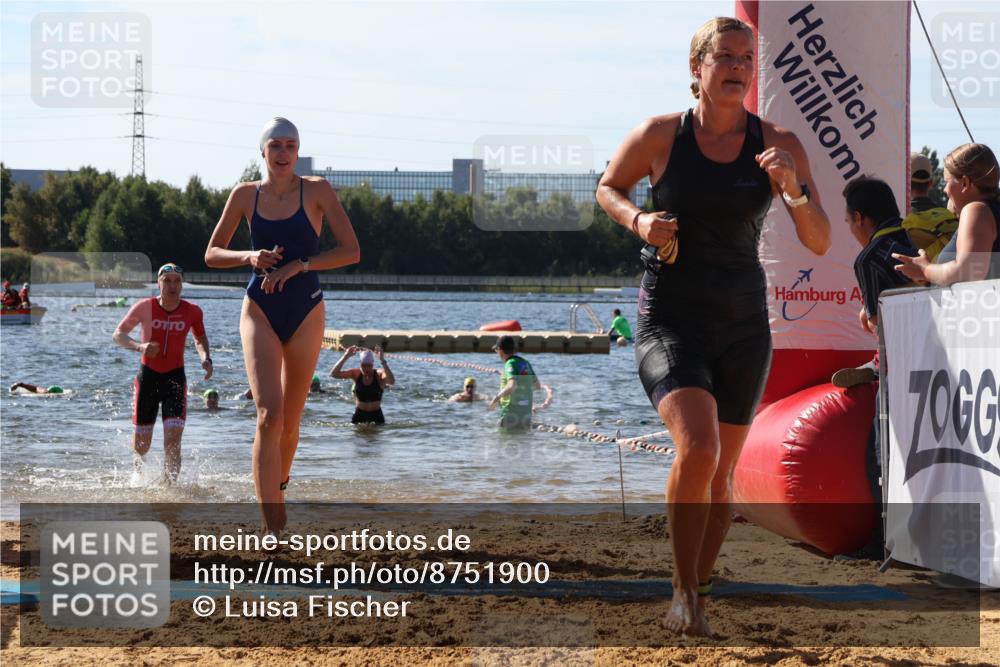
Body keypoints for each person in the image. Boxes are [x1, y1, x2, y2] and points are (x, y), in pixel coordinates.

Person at [595, 16, 831, 637]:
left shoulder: (777, 141)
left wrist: (793, 190)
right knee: (696, 447)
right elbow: (607, 189)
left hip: (744, 325)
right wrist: (639, 221)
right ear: (696, 68)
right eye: (723, 57)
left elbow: (819, 238)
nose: (737, 68)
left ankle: (700, 588)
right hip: (670, 316)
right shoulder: (659, 135)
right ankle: (679, 591)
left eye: (746, 59)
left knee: (721, 473)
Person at [205, 117, 360, 537]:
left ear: (298, 152)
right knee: (267, 417)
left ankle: (279, 488)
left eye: (291, 145)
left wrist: (301, 264)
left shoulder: (318, 191)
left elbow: (350, 251)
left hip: (307, 310)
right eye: (276, 145)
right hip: (259, 309)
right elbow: (212, 253)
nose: (284, 153)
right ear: (263, 152)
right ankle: (273, 525)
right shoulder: (244, 195)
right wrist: (249, 256)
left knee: (291, 423)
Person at [112, 263, 213, 483]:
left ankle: (169, 488)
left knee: (173, 441)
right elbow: (118, 335)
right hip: (147, 378)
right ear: (158, 283)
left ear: (182, 284)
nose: (172, 286)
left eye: (177, 281)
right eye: (167, 280)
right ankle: (138, 480)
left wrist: (205, 358)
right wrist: (140, 346)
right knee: (142, 445)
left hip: (175, 379)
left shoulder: (192, 311)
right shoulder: (144, 307)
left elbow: (200, 338)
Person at [895, 143, 1000, 285]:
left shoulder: (976, 211)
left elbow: (969, 270)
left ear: (964, 183)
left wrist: (926, 270)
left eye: (947, 181)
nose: (944, 189)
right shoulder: (987, 211)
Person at [487, 335, 549, 430]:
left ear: (500, 350)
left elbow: (511, 386)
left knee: (504, 442)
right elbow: (537, 386)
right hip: (526, 415)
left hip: (510, 414)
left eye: (496, 350)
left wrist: (496, 399)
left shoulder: (509, 364)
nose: (497, 353)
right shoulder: (525, 363)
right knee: (521, 442)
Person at [331, 346, 394, 424]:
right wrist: (345, 356)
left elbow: (391, 381)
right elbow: (334, 374)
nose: (366, 368)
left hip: (376, 415)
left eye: (369, 366)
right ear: (360, 364)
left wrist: (382, 360)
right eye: (363, 365)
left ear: (373, 364)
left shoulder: (379, 374)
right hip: (359, 414)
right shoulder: (355, 374)